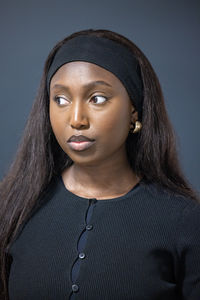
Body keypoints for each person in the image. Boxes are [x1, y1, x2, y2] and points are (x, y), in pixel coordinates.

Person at [0, 29, 200, 300]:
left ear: (134, 110)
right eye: (60, 99)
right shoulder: (15, 207)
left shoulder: (184, 221)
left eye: (97, 99)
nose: (76, 119)